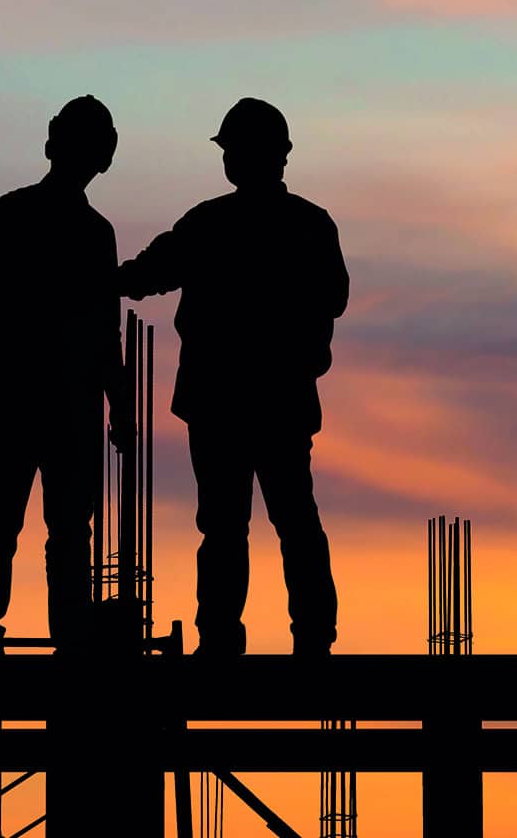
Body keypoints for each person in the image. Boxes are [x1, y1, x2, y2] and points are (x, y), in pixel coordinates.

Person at [117, 98, 348, 658]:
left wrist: (92, 278)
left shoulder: (211, 223)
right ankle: (308, 638)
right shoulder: (307, 226)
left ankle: (223, 639)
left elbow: (146, 275)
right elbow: (334, 299)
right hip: (274, 399)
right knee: (290, 519)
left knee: (229, 526)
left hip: (224, 399)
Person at [0, 96, 128, 652]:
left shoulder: (21, 214)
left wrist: (119, 405)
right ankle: (57, 636)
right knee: (38, 524)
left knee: (17, 519)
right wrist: (119, 407)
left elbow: (104, 332)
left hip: (43, 398)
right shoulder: (71, 227)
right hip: (52, 399)